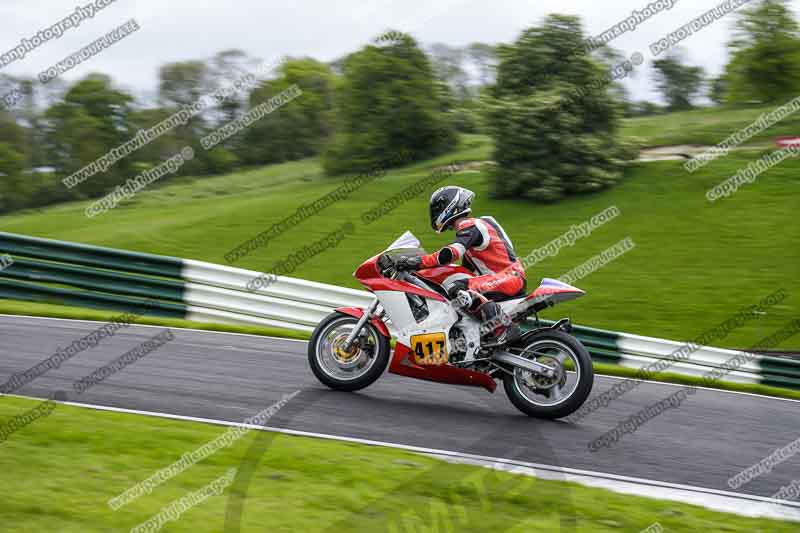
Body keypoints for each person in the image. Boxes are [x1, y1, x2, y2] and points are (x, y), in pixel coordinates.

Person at [395, 186, 527, 346]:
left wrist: (417, 262)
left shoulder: (470, 225)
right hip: (507, 278)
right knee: (459, 286)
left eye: (438, 208)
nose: (435, 213)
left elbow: (450, 254)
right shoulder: (476, 232)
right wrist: (425, 272)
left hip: (507, 279)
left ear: (449, 206)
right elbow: (464, 270)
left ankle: (502, 328)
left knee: (458, 288)